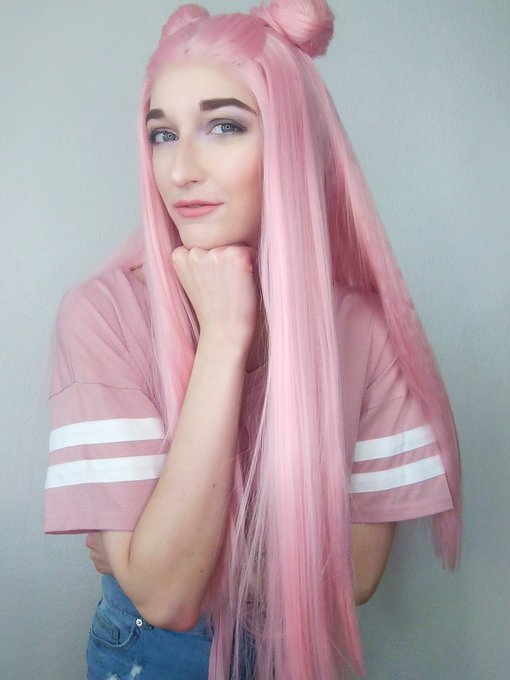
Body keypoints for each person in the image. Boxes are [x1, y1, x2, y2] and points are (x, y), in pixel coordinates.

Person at [44, 1, 462, 678]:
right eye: (162, 134)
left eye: (224, 126)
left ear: (292, 143)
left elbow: (357, 575)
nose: (180, 170)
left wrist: (174, 557)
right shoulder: (102, 314)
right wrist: (224, 337)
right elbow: (166, 599)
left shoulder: (364, 330)